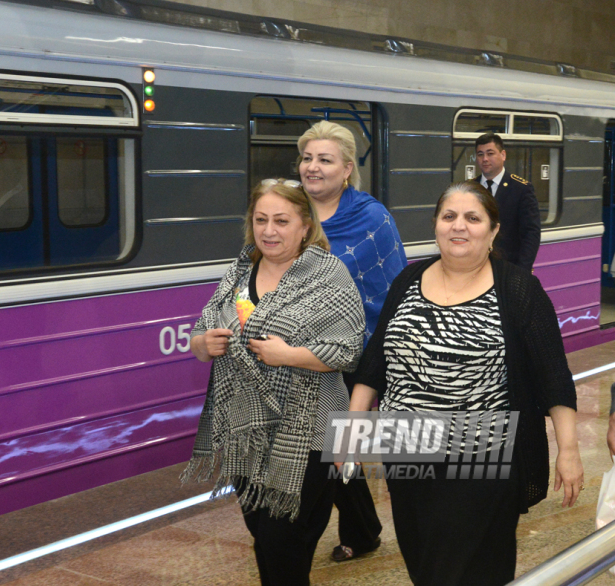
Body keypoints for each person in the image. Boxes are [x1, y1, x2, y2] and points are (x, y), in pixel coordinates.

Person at [346, 181, 583, 585]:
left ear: (492, 231)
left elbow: (553, 376)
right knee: (423, 563)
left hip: (482, 451)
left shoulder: (518, 289)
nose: (459, 226)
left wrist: (570, 450)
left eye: (473, 218)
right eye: (449, 216)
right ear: (436, 225)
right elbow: (375, 362)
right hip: (405, 447)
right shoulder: (407, 280)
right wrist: (351, 433)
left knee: (458, 569)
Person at [182, 179, 365, 586]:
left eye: (282, 221)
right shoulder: (238, 271)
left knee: (280, 540)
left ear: (305, 225)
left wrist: (290, 356)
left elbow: (350, 350)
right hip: (247, 432)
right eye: (261, 220)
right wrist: (204, 343)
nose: (269, 230)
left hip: (311, 431)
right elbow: (199, 334)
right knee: (266, 539)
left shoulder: (328, 275)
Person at [298, 120, 407, 561]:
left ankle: (335, 532)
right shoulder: (289, 210)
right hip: (292, 351)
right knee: (327, 444)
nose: (313, 167)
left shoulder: (372, 217)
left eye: (324, 159)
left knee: (328, 441)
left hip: (352, 350)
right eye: (306, 158)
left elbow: (394, 285)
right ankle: (362, 529)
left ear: (347, 170)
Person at [474, 132, 541, 271]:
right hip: (475, 268)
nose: (485, 159)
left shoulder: (521, 188)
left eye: (490, 153)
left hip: (509, 268)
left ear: (503, 155)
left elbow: (531, 234)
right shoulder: (470, 188)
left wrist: (522, 271)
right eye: (480, 154)